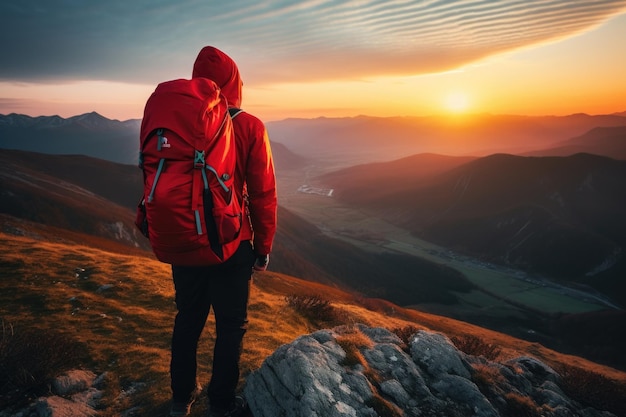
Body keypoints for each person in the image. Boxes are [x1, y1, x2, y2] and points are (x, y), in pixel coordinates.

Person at [169, 46, 277, 417]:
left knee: (188, 318)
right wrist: (263, 247)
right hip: (232, 244)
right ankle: (220, 404)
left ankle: (180, 399)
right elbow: (263, 194)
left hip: (185, 237)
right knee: (230, 325)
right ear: (235, 82)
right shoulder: (249, 125)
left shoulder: (176, 121)